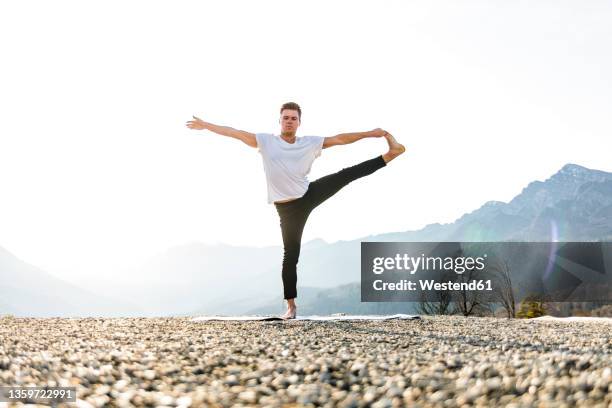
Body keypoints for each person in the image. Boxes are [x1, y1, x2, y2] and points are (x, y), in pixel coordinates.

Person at [186, 102, 405, 319]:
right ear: (279, 121)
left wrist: (370, 133)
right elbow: (233, 132)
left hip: (308, 194)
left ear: (299, 122)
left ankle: (392, 153)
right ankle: (291, 307)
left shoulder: (309, 143)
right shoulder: (265, 141)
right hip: (287, 210)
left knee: (347, 174)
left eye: (294, 118)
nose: (289, 121)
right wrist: (206, 125)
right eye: (286, 118)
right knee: (291, 255)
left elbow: (341, 139)